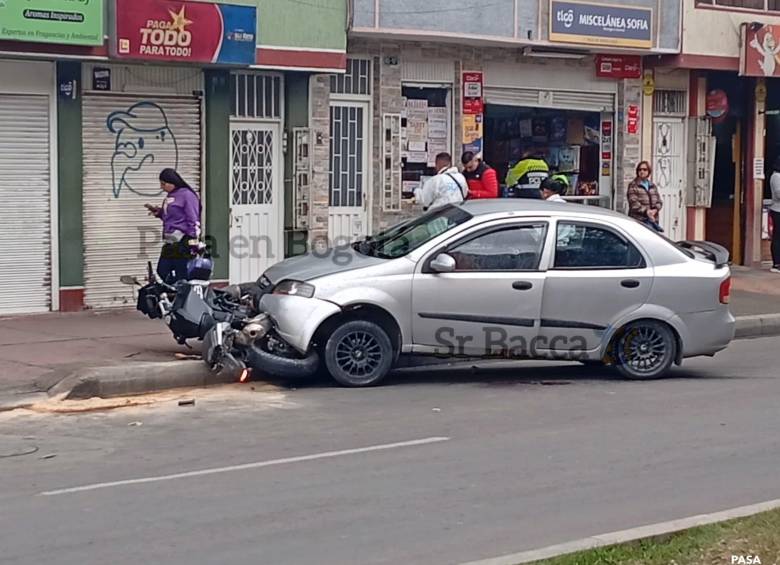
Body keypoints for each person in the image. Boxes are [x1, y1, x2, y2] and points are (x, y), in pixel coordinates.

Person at [145, 168, 202, 284]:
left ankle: (180, 292)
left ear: (172, 182)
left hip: (183, 240)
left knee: (182, 273)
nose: (161, 187)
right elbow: (172, 217)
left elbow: (193, 219)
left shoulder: (187, 195)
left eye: (163, 184)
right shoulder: (170, 196)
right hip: (170, 241)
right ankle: (173, 289)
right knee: (162, 270)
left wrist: (192, 241)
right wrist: (159, 213)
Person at [627, 161, 663, 232]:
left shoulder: (652, 185)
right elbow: (634, 203)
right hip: (639, 221)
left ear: (648, 171)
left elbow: (659, 201)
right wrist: (647, 212)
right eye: (640, 169)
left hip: (653, 220)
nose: (642, 171)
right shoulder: (633, 185)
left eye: (644, 169)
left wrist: (655, 210)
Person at [770, 157, 780, 273]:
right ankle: (776, 263)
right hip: (777, 210)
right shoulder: (776, 176)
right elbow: (778, 194)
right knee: (777, 237)